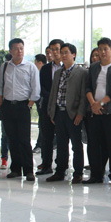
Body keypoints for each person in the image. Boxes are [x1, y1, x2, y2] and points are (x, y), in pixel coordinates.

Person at [0, 38, 40, 181]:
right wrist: (1, 102)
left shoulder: (30, 67)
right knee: (12, 139)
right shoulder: (4, 66)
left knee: (24, 139)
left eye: (21, 48)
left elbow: (36, 88)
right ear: (10, 51)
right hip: (8, 106)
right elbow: (0, 86)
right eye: (16, 49)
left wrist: (30, 104)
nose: (19, 51)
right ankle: (15, 169)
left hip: (23, 106)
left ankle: (28, 170)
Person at [84, 38, 111, 186]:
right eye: (100, 49)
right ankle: (96, 175)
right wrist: (93, 104)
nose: (102, 52)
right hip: (94, 112)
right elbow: (88, 87)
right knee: (94, 144)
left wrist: (100, 103)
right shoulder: (93, 67)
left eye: (105, 49)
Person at [46, 43, 88, 183]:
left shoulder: (81, 72)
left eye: (66, 53)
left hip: (73, 114)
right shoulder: (58, 72)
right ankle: (60, 171)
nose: (63, 55)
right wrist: (52, 111)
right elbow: (53, 93)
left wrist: (80, 113)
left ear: (73, 54)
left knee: (76, 145)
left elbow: (83, 95)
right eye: (62, 53)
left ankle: (78, 172)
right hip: (59, 113)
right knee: (61, 144)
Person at [36, 40, 64, 175]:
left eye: (57, 49)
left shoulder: (68, 68)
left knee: (62, 138)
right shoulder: (46, 69)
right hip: (47, 107)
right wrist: (52, 98)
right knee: (46, 137)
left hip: (63, 108)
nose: (54, 52)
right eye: (52, 50)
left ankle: (61, 166)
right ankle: (46, 165)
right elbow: (41, 88)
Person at [33, 53, 48, 155]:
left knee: (43, 124)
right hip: (40, 101)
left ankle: (40, 145)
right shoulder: (39, 73)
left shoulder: (43, 73)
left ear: (40, 63)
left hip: (44, 101)